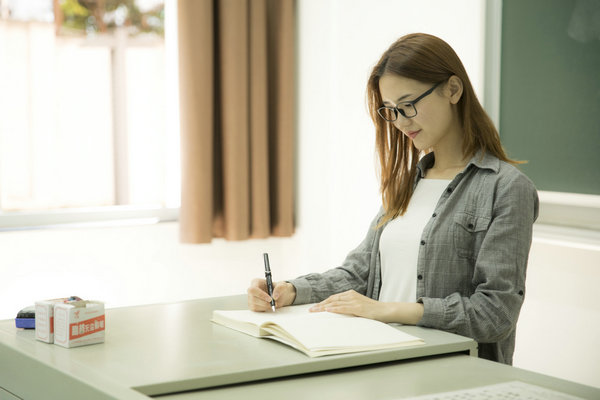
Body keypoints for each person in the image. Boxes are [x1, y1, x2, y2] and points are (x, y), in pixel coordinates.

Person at [247, 33, 539, 365]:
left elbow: (495, 313)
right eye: (391, 111)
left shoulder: (506, 188)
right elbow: (361, 273)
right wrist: (291, 290)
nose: (400, 121)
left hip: (454, 372)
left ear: (453, 90)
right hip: (385, 361)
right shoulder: (407, 184)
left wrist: (386, 310)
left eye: (408, 104)